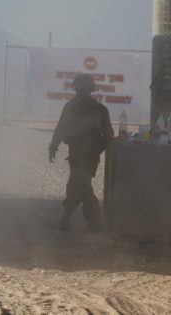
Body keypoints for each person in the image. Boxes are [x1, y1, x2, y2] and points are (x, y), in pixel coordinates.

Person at [48, 73, 114, 231]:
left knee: (79, 186)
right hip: (84, 155)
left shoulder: (72, 107)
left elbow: (61, 129)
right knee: (79, 185)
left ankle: (85, 221)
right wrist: (98, 150)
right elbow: (109, 136)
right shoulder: (99, 109)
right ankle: (89, 222)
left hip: (80, 154)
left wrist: (53, 146)